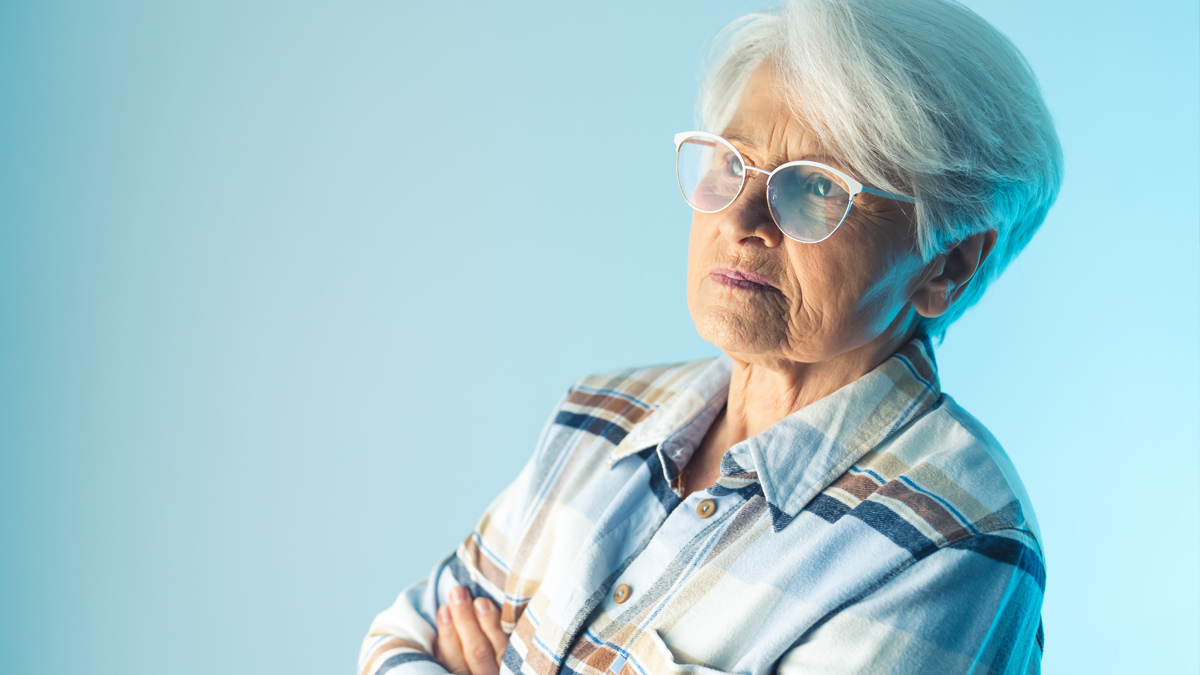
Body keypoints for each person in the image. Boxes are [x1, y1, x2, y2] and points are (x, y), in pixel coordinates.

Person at [359, 0, 1061, 673]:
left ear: (948, 264)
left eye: (816, 185)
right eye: (730, 162)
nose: (741, 217)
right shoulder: (601, 414)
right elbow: (401, 633)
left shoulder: (952, 545)